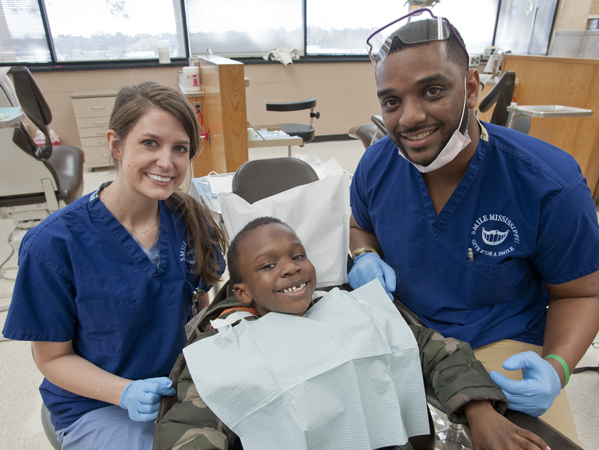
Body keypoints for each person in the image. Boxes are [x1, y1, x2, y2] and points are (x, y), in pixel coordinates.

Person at [348, 9, 599, 443]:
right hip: (407, 340)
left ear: (470, 86)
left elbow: (583, 291)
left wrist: (557, 367)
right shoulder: (377, 164)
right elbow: (361, 226)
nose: (408, 118)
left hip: (502, 349)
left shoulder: (547, 181)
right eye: (391, 101)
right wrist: (364, 254)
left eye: (431, 91)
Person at [154, 216, 550, 450]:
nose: (290, 268)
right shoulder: (226, 346)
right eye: (267, 265)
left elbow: (435, 350)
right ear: (241, 292)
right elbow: (190, 428)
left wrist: (480, 412)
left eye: (297, 255)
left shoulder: (352, 308)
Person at [2, 81, 227, 449]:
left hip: (178, 387)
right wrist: (124, 392)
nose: (166, 162)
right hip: (96, 404)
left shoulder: (188, 220)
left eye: (180, 148)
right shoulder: (53, 245)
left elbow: (196, 306)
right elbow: (52, 359)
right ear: (116, 144)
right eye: (150, 143)